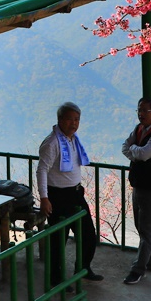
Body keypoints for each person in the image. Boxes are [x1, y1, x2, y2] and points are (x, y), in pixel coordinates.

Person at [36, 102, 103, 286]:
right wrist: (44, 198)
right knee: (58, 240)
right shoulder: (52, 142)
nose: (74, 123)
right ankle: (55, 280)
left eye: (77, 120)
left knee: (88, 234)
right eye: (70, 119)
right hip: (57, 196)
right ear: (60, 120)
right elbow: (42, 170)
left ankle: (83, 268)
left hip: (75, 194)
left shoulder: (73, 139)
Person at [121, 97, 151, 285]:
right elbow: (125, 148)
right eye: (139, 110)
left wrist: (135, 151)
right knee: (143, 226)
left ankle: (138, 269)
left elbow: (142, 154)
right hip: (139, 185)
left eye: (145, 111)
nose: (141, 114)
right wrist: (136, 151)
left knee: (147, 229)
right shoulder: (139, 129)